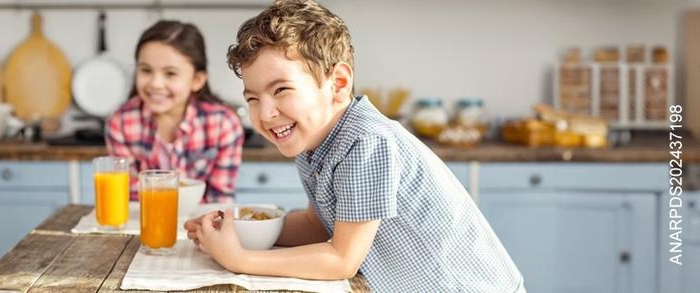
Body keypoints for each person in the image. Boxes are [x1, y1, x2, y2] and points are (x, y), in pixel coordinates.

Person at [184, 1, 526, 291]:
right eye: (253, 98)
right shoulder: (313, 142)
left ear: (338, 84)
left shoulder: (366, 141)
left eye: (281, 90)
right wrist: (238, 230)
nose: (266, 113)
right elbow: (318, 226)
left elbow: (341, 259)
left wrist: (239, 259)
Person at [106, 20, 244, 204]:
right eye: (146, 70)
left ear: (197, 80)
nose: (155, 83)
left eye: (170, 73)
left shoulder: (224, 124)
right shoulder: (120, 122)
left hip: (200, 226)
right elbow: (130, 197)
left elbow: (220, 199)